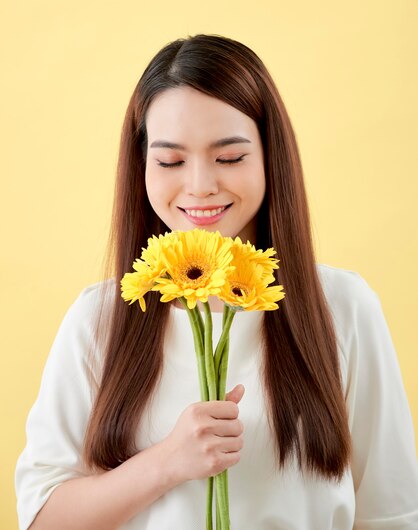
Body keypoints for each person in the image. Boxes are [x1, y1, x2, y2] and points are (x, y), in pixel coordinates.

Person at [15, 34, 418, 530]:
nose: (200, 184)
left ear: (271, 158)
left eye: (229, 158)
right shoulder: (99, 319)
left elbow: (393, 515)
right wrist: (166, 462)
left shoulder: (343, 306)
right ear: (141, 167)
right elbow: (40, 518)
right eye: (170, 161)